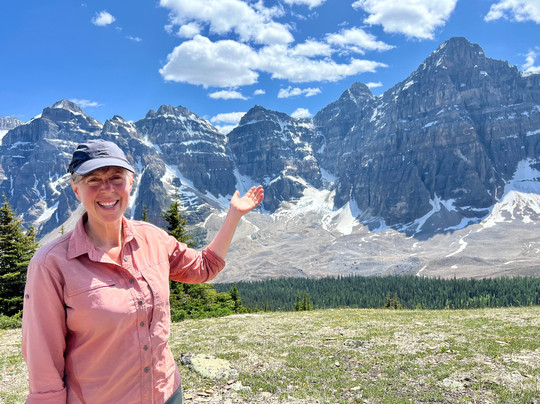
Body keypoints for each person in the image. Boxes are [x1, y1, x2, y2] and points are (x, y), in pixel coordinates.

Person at [21, 139, 264, 404]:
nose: (107, 189)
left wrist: (233, 216)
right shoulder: (50, 263)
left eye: (116, 178)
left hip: (166, 393)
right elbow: (42, 356)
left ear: (131, 183)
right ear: (76, 189)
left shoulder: (153, 239)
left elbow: (204, 267)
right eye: (93, 180)